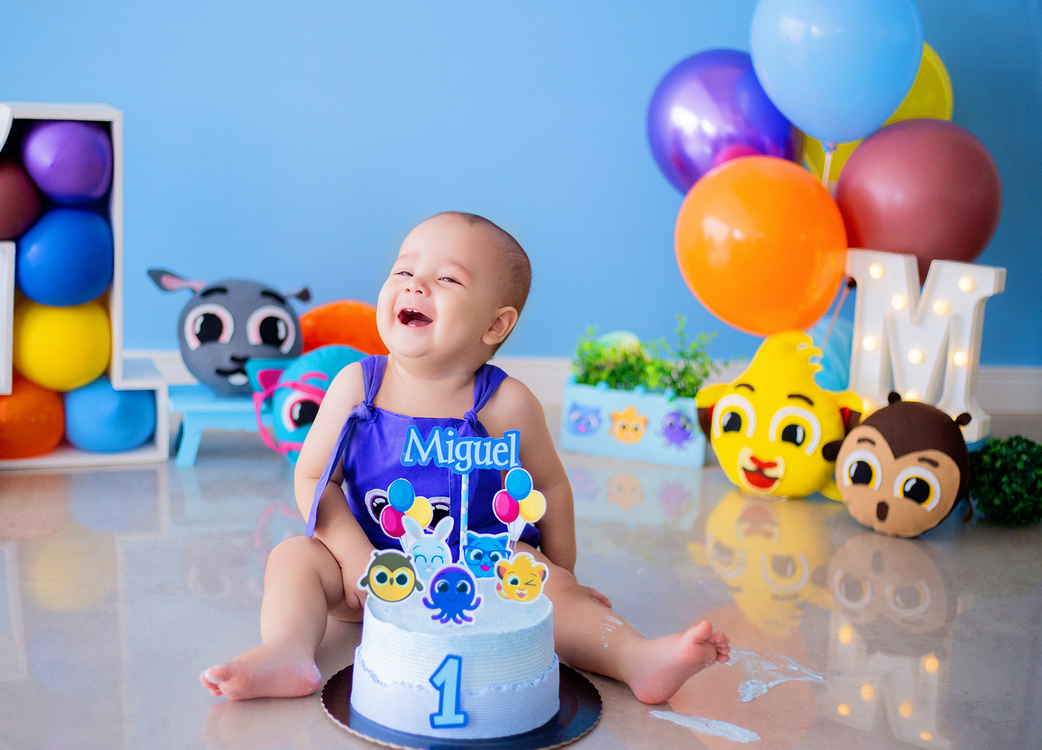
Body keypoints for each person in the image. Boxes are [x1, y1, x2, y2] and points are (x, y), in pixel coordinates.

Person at [202, 212, 729, 704]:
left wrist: (560, 573)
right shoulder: (354, 387)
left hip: (483, 573)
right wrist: (356, 556)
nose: (415, 284)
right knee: (293, 558)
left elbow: (550, 488)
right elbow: (317, 478)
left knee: (550, 591)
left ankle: (639, 659)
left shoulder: (507, 403)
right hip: (364, 578)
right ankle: (288, 652)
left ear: (496, 325)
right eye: (404, 269)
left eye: (447, 280)